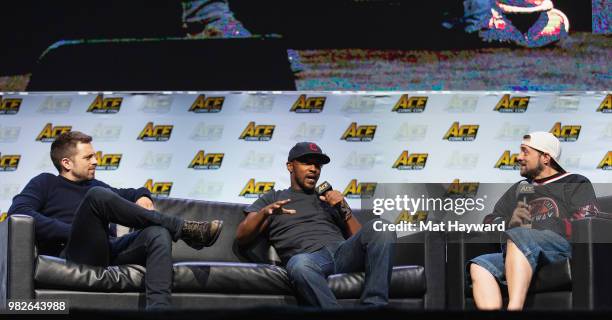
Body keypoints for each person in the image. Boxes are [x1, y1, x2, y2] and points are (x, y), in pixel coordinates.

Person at [8, 131, 224, 310]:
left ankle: (159, 310)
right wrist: (72, 231)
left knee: (157, 233)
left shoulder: (95, 185)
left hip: (107, 249)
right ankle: (183, 228)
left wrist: (143, 195)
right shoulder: (44, 183)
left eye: (95, 156)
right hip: (73, 252)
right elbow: (20, 212)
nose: (96, 161)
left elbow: (131, 192)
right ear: (66, 163)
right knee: (97, 196)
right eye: (88, 157)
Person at [236, 142, 396, 308]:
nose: (314, 169)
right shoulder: (273, 198)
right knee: (299, 264)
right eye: (307, 163)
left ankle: (375, 308)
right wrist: (264, 213)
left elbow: (362, 240)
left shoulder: (327, 198)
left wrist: (343, 208)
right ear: (290, 166)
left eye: (317, 165)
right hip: (310, 259)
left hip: (342, 253)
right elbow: (242, 236)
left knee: (382, 227)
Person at [468, 131, 599, 310]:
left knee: (519, 236)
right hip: (518, 249)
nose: (518, 157)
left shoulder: (574, 182)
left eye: (525, 152)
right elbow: (490, 221)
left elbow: (587, 219)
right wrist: (510, 221)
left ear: (545, 157)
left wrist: (546, 226)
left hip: (560, 249)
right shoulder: (520, 188)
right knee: (480, 265)